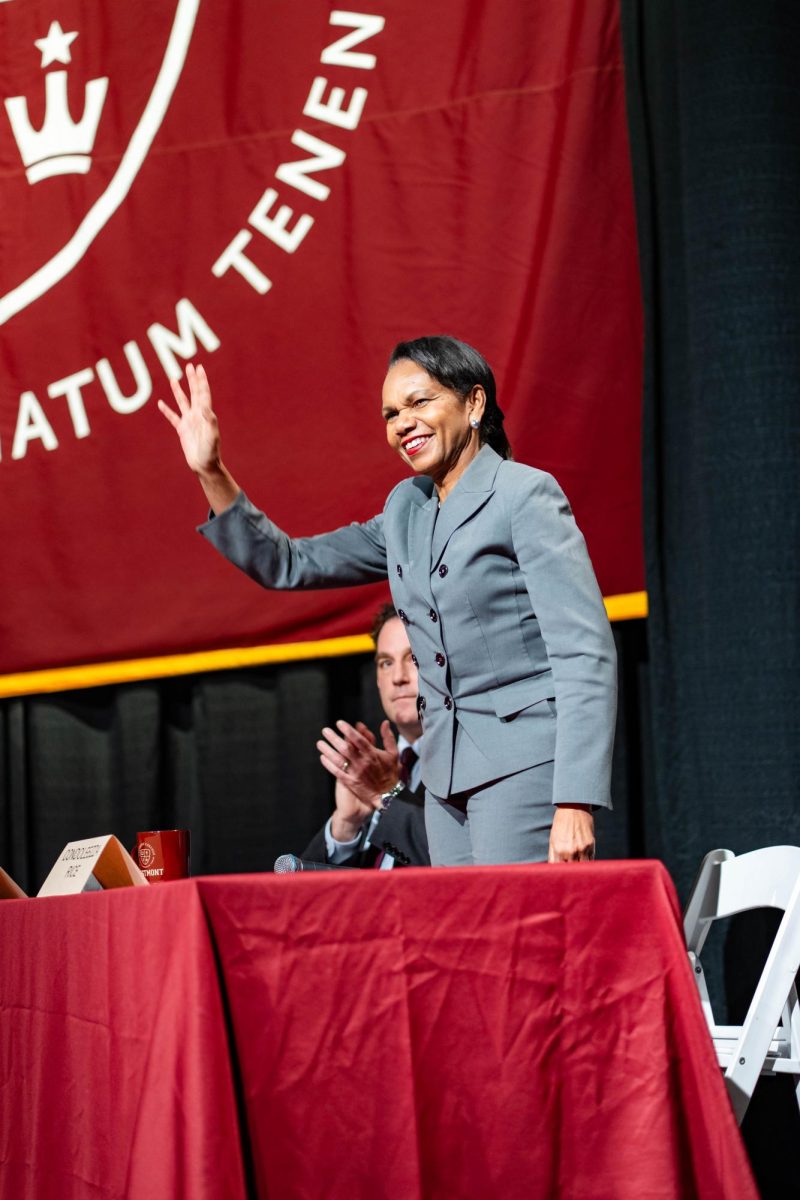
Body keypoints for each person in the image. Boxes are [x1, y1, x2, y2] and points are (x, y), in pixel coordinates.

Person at [158, 335, 617, 866]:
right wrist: (210, 471)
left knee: (514, 942)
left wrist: (575, 800)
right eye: (391, 413)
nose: (403, 423)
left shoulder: (524, 495)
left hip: (525, 770)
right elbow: (289, 563)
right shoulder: (406, 509)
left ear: (473, 403)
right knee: (461, 945)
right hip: (445, 785)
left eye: (420, 403)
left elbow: (584, 652)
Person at [303, 603, 429, 868]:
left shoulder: (471, 762)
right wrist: (346, 826)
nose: (398, 678)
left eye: (414, 659)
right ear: (377, 679)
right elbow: (303, 896)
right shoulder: (369, 774)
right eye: (386, 662)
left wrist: (386, 793)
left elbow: (454, 863)